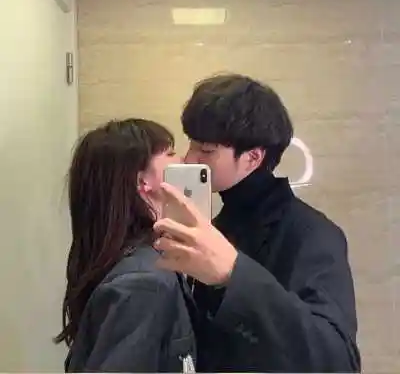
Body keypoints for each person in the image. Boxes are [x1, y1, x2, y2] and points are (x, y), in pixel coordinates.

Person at [153, 74, 361, 373]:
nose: (189, 158)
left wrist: (233, 274)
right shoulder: (216, 228)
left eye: (206, 150)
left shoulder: (312, 233)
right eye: (191, 144)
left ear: (253, 158)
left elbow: (338, 359)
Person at [54, 118, 196, 373]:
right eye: (170, 153)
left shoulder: (139, 263)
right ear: (142, 181)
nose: (183, 160)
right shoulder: (143, 283)